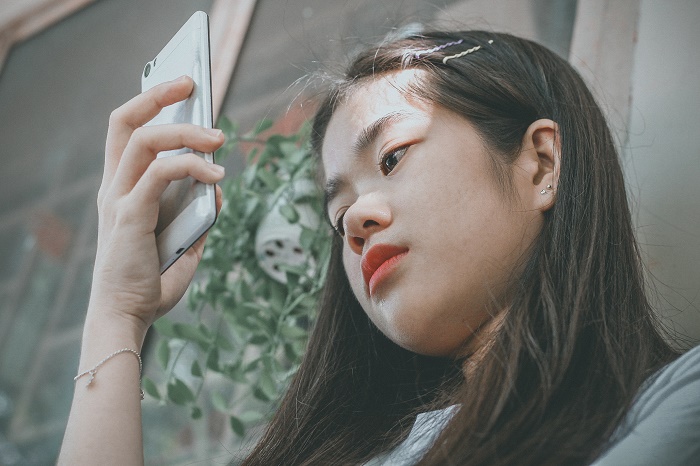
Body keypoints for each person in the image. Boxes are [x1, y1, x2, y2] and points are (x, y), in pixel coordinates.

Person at [59, 30, 700, 465]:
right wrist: (116, 311)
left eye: (392, 157)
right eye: (338, 217)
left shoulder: (678, 400)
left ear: (540, 164)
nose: (358, 218)